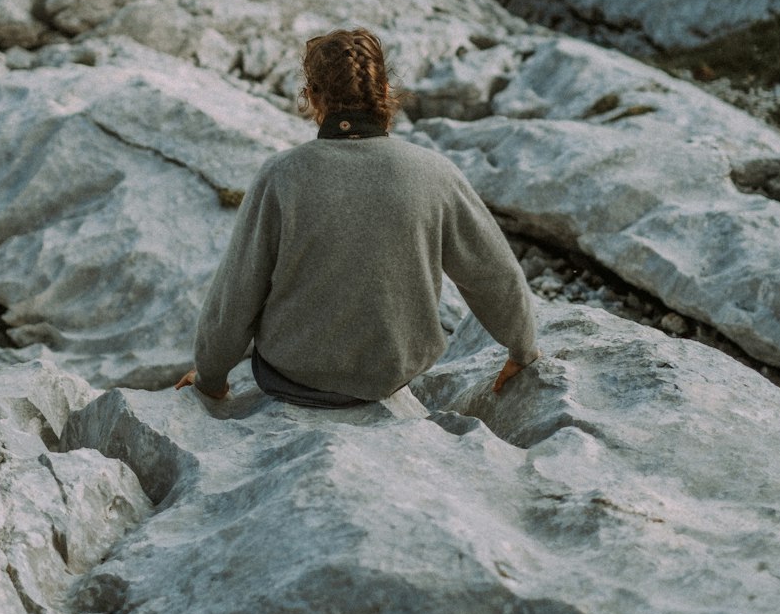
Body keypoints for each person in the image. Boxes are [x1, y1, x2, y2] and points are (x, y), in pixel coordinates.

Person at [175, 28, 540, 408]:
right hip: (391, 376)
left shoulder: (282, 174)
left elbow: (236, 294)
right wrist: (522, 350)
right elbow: (494, 275)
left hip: (293, 378)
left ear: (312, 96)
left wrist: (210, 378)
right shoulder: (434, 173)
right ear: (384, 91)